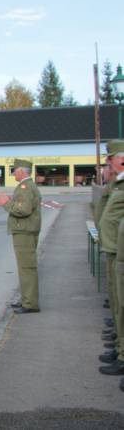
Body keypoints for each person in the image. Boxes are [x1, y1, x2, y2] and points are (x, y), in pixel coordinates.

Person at [0, 159, 42, 314]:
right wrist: (10, 201)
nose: (14, 173)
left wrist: (5, 203)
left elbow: (23, 210)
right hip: (26, 230)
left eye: (15, 170)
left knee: (26, 268)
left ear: (21, 171)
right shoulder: (27, 186)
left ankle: (30, 303)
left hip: (25, 231)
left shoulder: (25, 187)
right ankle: (26, 299)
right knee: (25, 267)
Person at [98, 140, 124, 379]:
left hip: (119, 250)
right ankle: (120, 348)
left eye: (111, 159)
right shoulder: (116, 184)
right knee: (118, 303)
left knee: (122, 305)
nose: (108, 166)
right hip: (116, 250)